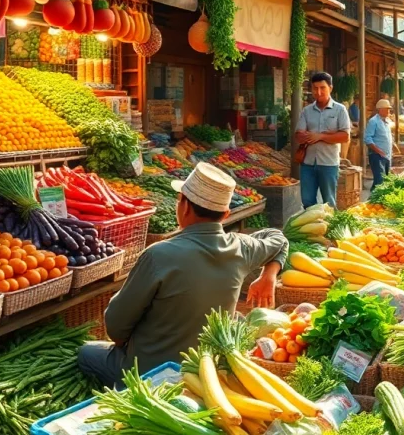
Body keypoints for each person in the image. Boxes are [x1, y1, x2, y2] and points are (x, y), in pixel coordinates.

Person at [78, 163, 287, 387]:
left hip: (149, 373)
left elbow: (116, 328)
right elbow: (278, 238)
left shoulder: (158, 255)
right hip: (204, 370)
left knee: (85, 352)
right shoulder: (241, 248)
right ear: (226, 214)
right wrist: (269, 275)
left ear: (184, 206)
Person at [296, 72, 351, 208]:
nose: (318, 92)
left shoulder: (340, 110)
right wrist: (331, 136)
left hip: (329, 164)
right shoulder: (306, 111)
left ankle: (329, 228)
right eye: (315, 88)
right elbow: (298, 136)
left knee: (329, 202)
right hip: (307, 163)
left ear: (330, 88)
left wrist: (320, 136)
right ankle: (313, 228)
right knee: (307, 201)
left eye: (322, 88)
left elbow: (345, 136)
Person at [364, 99, 395, 190]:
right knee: (380, 181)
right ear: (380, 109)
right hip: (377, 156)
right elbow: (367, 139)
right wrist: (378, 151)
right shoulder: (373, 121)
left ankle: (373, 200)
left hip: (387, 156)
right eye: (387, 109)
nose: (389, 111)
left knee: (384, 181)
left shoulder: (386, 121)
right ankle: (373, 200)